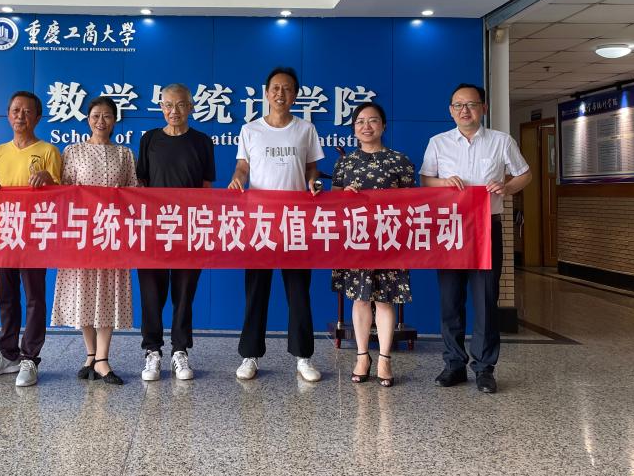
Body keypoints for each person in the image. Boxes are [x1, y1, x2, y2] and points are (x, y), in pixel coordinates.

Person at [420, 83, 531, 394]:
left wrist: (507, 187)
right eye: (458, 105)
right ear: (450, 110)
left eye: (470, 104)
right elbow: (426, 180)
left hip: (486, 228)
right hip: (450, 229)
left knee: (485, 300)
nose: (464, 110)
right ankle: (454, 364)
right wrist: (443, 182)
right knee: (450, 300)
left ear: (483, 108)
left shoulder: (501, 141)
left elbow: (524, 174)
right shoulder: (438, 143)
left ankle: (484, 368)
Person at [228, 67, 324, 383]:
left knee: (298, 291)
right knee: (256, 291)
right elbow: (243, 166)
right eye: (275, 88)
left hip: (296, 222)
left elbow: (312, 168)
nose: (280, 94)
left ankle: (303, 356)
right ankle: (250, 355)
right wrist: (237, 179)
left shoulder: (305, 129)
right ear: (266, 93)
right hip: (260, 222)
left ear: (295, 95)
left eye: (287, 88)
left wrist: (313, 182)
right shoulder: (250, 129)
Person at [0, 91, 61, 387]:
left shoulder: (48, 151)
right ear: (8, 115)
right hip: (5, 232)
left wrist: (49, 180)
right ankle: (7, 353)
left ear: (38, 117)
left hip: (35, 234)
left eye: (27, 111)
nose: (20, 116)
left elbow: (61, 195)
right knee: (7, 296)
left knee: (34, 297)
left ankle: (30, 357)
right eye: (15, 111)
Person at [51, 96, 138, 385]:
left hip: (111, 233)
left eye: (107, 116)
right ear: (88, 119)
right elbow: (64, 191)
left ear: (115, 120)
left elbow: (134, 191)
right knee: (84, 292)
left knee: (107, 292)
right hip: (81, 233)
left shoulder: (125, 154)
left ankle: (103, 359)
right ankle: (90, 355)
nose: (101, 121)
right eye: (96, 116)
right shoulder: (73, 151)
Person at [136, 83, 216, 382]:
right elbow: (141, 184)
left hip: (189, 229)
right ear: (161, 107)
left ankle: (180, 350)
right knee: (151, 293)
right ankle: (152, 351)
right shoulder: (149, 139)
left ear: (191, 107)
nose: (174, 111)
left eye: (181, 104)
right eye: (168, 105)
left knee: (184, 294)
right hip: (153, 230)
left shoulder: (202, 141)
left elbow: (206, 188)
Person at [331, 102, 415, 387]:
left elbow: (413, 201)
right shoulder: (345, 163)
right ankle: (362, 356)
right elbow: (334, 201)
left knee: (385, 299)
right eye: (360, 122)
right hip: (356, 239)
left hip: (389, 239)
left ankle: (385, 359)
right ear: (354, 129)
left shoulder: (400, 161)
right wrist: (345, 194)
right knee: (360, 298)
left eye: (373, 120)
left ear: (383, 126)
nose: (366, 126)